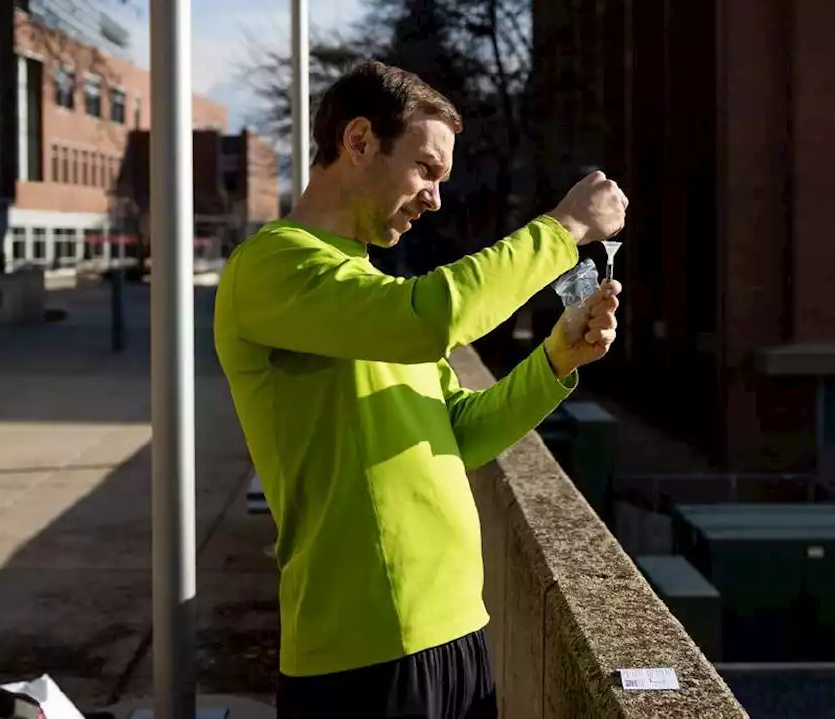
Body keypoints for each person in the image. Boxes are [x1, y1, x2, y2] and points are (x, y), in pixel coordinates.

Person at [214, 60, 628, 719]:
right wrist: (565, 229)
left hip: (457, 630)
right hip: (361, 653)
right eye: (426, 169)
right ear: (358, 141)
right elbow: (429, 320)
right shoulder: (272, 265)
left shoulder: (369, 288)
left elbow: (461, 433)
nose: (436, 197)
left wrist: (555, 358)